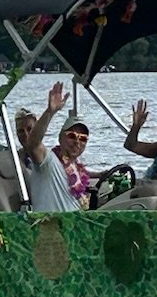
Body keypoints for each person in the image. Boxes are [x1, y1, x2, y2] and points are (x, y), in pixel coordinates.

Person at [8, 82, 78, 213]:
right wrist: (50, 112)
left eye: (30, 129)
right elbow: (33, 145)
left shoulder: (59, 158)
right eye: (21, 131)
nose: (26, 134)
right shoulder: (40, 157)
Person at [54, 116, 95, 205]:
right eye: (72, 136)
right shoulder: (52, 161)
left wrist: (101, 174)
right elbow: (35, 146)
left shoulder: (74, 163)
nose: (77, 141)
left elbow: (82, 172)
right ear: (60, 138)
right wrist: (50, 112)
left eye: (83, 138)